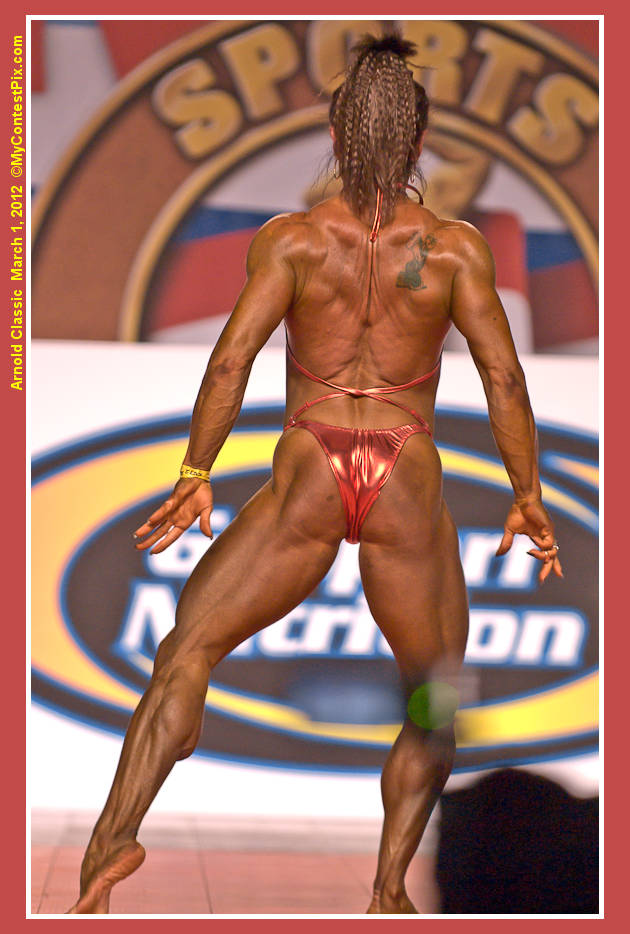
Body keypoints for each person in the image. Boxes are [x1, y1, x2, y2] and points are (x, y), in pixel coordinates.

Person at [68, 32, 562, 915]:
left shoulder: (293, 242)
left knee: (187, 654)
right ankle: (388, 890)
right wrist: (527, 494)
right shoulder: (454, 250)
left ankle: (112, 843)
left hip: (311, 463)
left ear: (335, 136)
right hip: (405, 472)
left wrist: (196, 469)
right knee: (433, 696)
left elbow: (232, 358)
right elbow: (504, 377)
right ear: (420, 142)